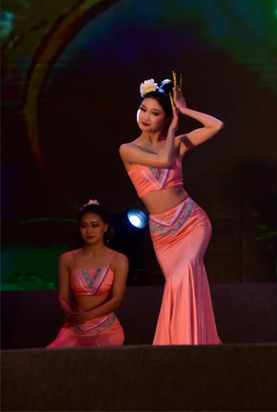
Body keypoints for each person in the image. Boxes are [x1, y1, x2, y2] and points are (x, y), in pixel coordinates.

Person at [120, 76, 223, 345]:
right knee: (178, 285)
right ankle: (180, 347)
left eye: (154, 113)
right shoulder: (128, 150)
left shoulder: (176, 144)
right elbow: (164, 161)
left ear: (165, 118)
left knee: (185, 274)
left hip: (192, 222)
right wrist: (175, 129)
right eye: (143, 109)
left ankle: (189, 345)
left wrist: (184, 110)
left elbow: (216, 125)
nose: (145, 117)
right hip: (163, 234)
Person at [47, 201, 128, 347]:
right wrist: (72, 316)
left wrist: (87, 316)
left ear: (105, 227)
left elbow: (117, 299)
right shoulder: (67, 259)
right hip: (75, 328)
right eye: (84, 226)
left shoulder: (118, 259)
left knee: (98, 358)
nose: (89, 231)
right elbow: (62, 298)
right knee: (49, 357)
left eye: (95, 225)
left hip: (106, 330)